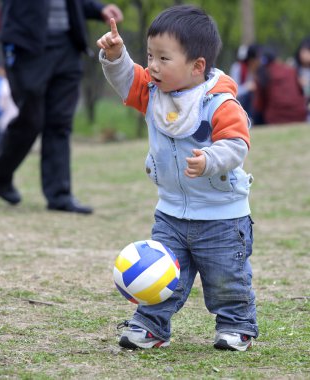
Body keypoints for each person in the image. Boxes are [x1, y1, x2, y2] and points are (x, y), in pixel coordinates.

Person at [97, 5, 258, 351]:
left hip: (222, 216)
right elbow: (128, 79)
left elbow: (237, 144)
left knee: (226, 278)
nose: (152, 65)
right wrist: (116, 55)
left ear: (197, 65)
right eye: (149, 55)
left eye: (163, 59)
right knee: (159, 274)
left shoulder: (219, 102)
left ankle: (236, 324)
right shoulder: (155, 93)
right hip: (170, 212)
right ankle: (151, 325)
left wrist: (211, 159)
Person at [0, 0, 123, 214]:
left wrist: (98, 9)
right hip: (27, 47)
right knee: (31, 119)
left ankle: (59, 195)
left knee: (60, 121)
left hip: (67, 44)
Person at [253, 46, 307, 125]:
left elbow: (259, 105)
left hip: (276, 118)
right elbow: (300, 93)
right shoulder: (291, 71)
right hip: (299, 115)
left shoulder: (262, 73)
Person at [229, 44, 262, 123]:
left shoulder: (255, 71)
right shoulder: (237, 68)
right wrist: (247, 87)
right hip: (239, 101)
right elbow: (233, 92)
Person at [292, 37, 310, 120]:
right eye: (302, 52)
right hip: (300, 101)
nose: (304, 55)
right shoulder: (294, 68)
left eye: (307, 52)